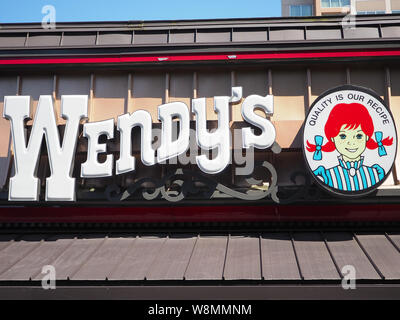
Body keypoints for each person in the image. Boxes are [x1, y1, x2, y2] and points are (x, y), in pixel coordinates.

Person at [306, 102, 393, 191]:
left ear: (367, 137)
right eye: (343, 136)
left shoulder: (375, 173)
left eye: (359, 136)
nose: (351, 143)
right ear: (332, 138)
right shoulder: (327, 175)